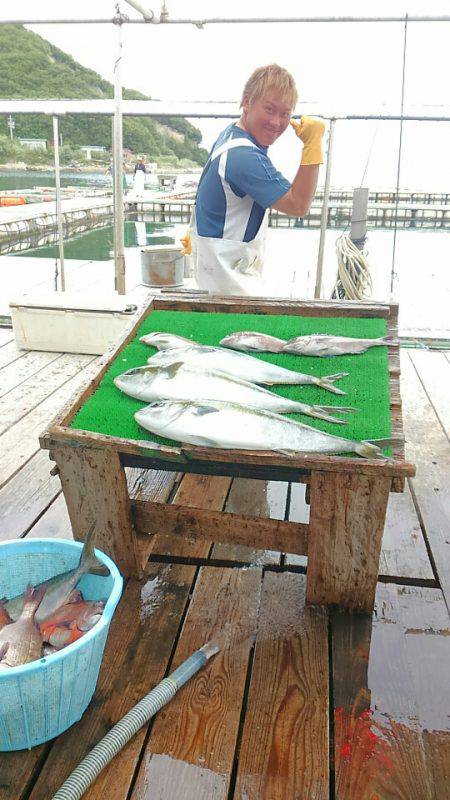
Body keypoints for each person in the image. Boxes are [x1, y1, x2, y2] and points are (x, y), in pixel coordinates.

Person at [184, 64, 325, 295]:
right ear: (247, 102)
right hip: (228, 286)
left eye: (285, 114)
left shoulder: (231, 135)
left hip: (214, 276)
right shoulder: (244, 157)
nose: (276, 122)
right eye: (269, 109)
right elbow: (299, 204)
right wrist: (313, 146)